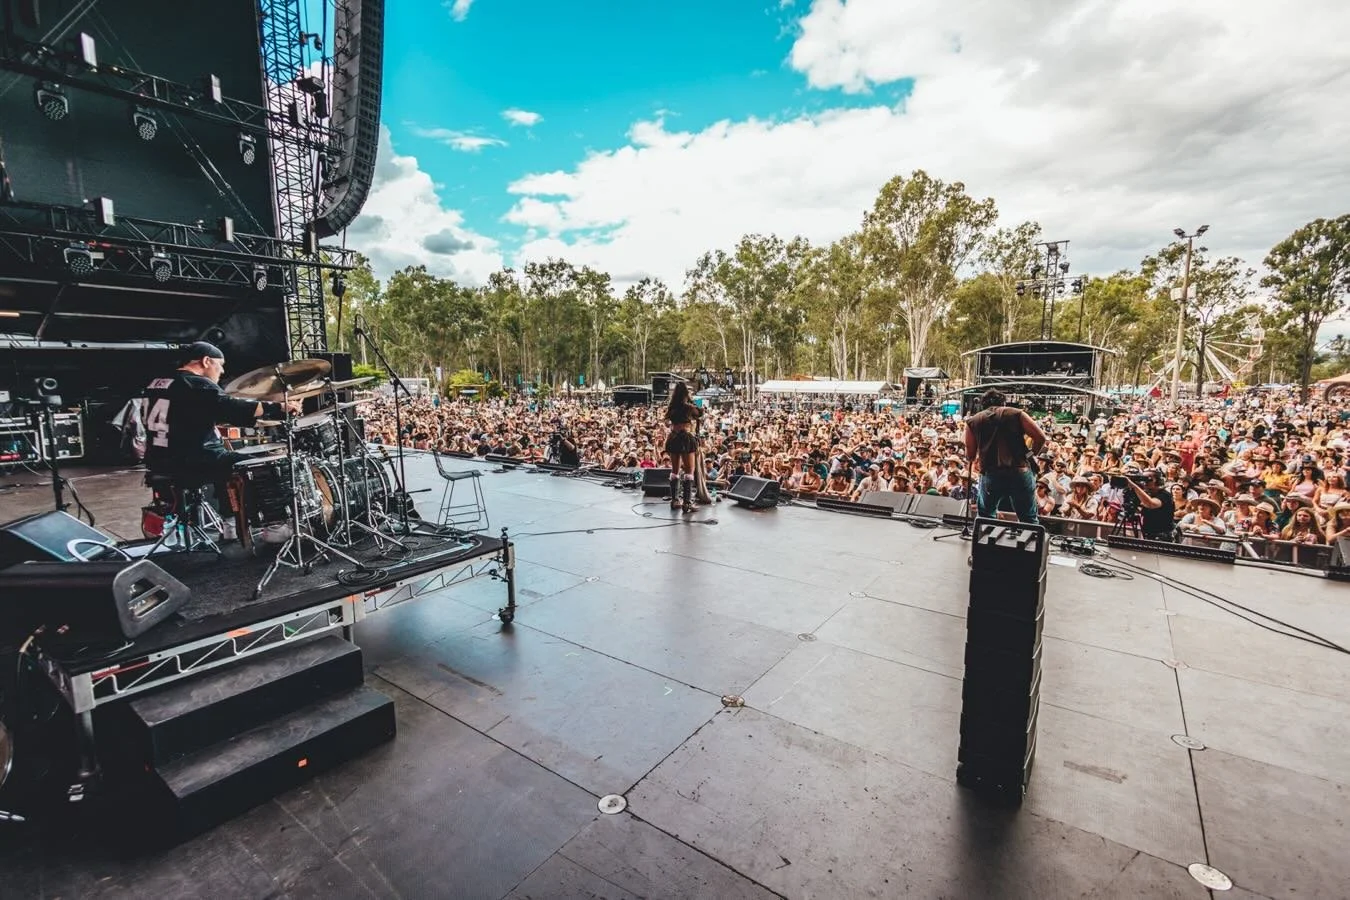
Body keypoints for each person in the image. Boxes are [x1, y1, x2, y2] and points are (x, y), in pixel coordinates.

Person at [143, 342, 293, 536]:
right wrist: (279, 407)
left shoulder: (158, 383)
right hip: (191, 460)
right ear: (206, 361)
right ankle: (274, 527)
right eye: (220, 365)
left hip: (158, 461)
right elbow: (232, 408)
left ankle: (231, 525)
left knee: (225, 462)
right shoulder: (195, 384)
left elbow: (188, 414)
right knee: (257, 466)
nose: (221, 371)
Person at [963, 389, 1047, 524]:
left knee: (986, 516)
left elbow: (970, 454)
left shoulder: (973, 421)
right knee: (1028, 518)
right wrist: (1030, 454)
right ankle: (1029, 538)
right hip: (1019, 470)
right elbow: (1041, 437)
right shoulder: (1017, 414)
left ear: (983, 405)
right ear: (1003, 403)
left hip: (991, 473)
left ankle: (986, 537)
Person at [663, 381, 702, 512]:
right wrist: (691, 400)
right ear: (686, 393)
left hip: (674, 437)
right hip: (685, 438)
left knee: (675, 470)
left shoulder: (672, 407)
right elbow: (700, 413)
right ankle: (687, 503)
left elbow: (666, 420)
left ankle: (675, 500)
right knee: (689, 471)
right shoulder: (688, 407)